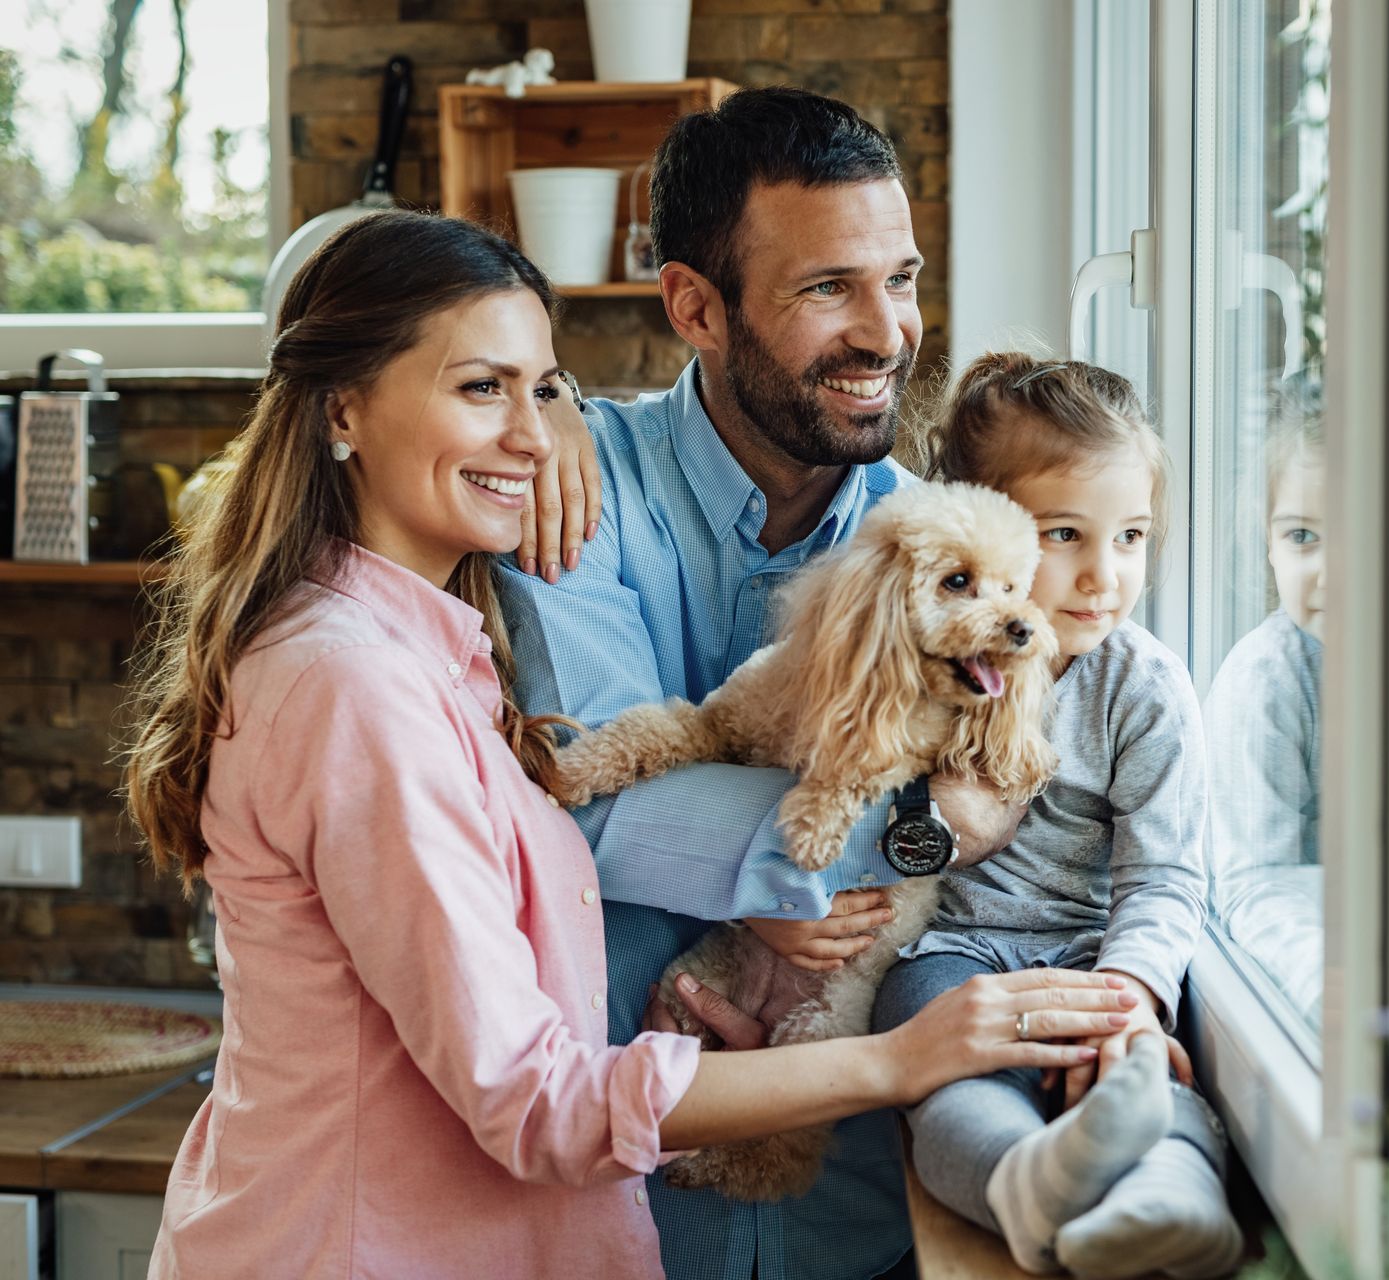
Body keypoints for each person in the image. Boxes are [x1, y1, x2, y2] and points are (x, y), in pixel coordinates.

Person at [122, 209, 1140, 1280]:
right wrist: (897, 1057)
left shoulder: (438, 646)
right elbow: (534, 1096)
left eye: (544, 388)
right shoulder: (354, 685)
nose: (532, 434)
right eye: (482, 388)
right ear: (343, 408)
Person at [499, 86, 1030, 1279]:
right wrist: (920, 829)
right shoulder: (578, 495)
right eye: (826, 287)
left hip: (868, 1213)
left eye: (899, 277)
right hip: (634, 1209)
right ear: (694, 303)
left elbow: (1027, 765)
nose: (888, 331)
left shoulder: (931, 540)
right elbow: (588, 809)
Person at [868, 352, 1244, 1280]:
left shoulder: (1144, 689)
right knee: (947, 1092)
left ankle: (1172, 1199)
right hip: (950, 956)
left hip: (1090, 958)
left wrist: (1131, 999)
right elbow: (870, 814)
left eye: (1130, 538)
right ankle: (1023, 1182)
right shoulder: (935, 664)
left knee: (1152, 1075)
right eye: (1065, 535)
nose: (1102, 577)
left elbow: (1163, 875)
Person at [1202, 374, 1328, 1026]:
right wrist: (1329, 994)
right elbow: (1255, 882)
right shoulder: (1267, 680)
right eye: (1302, 537)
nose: (1331, 574)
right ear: (1267, 541)